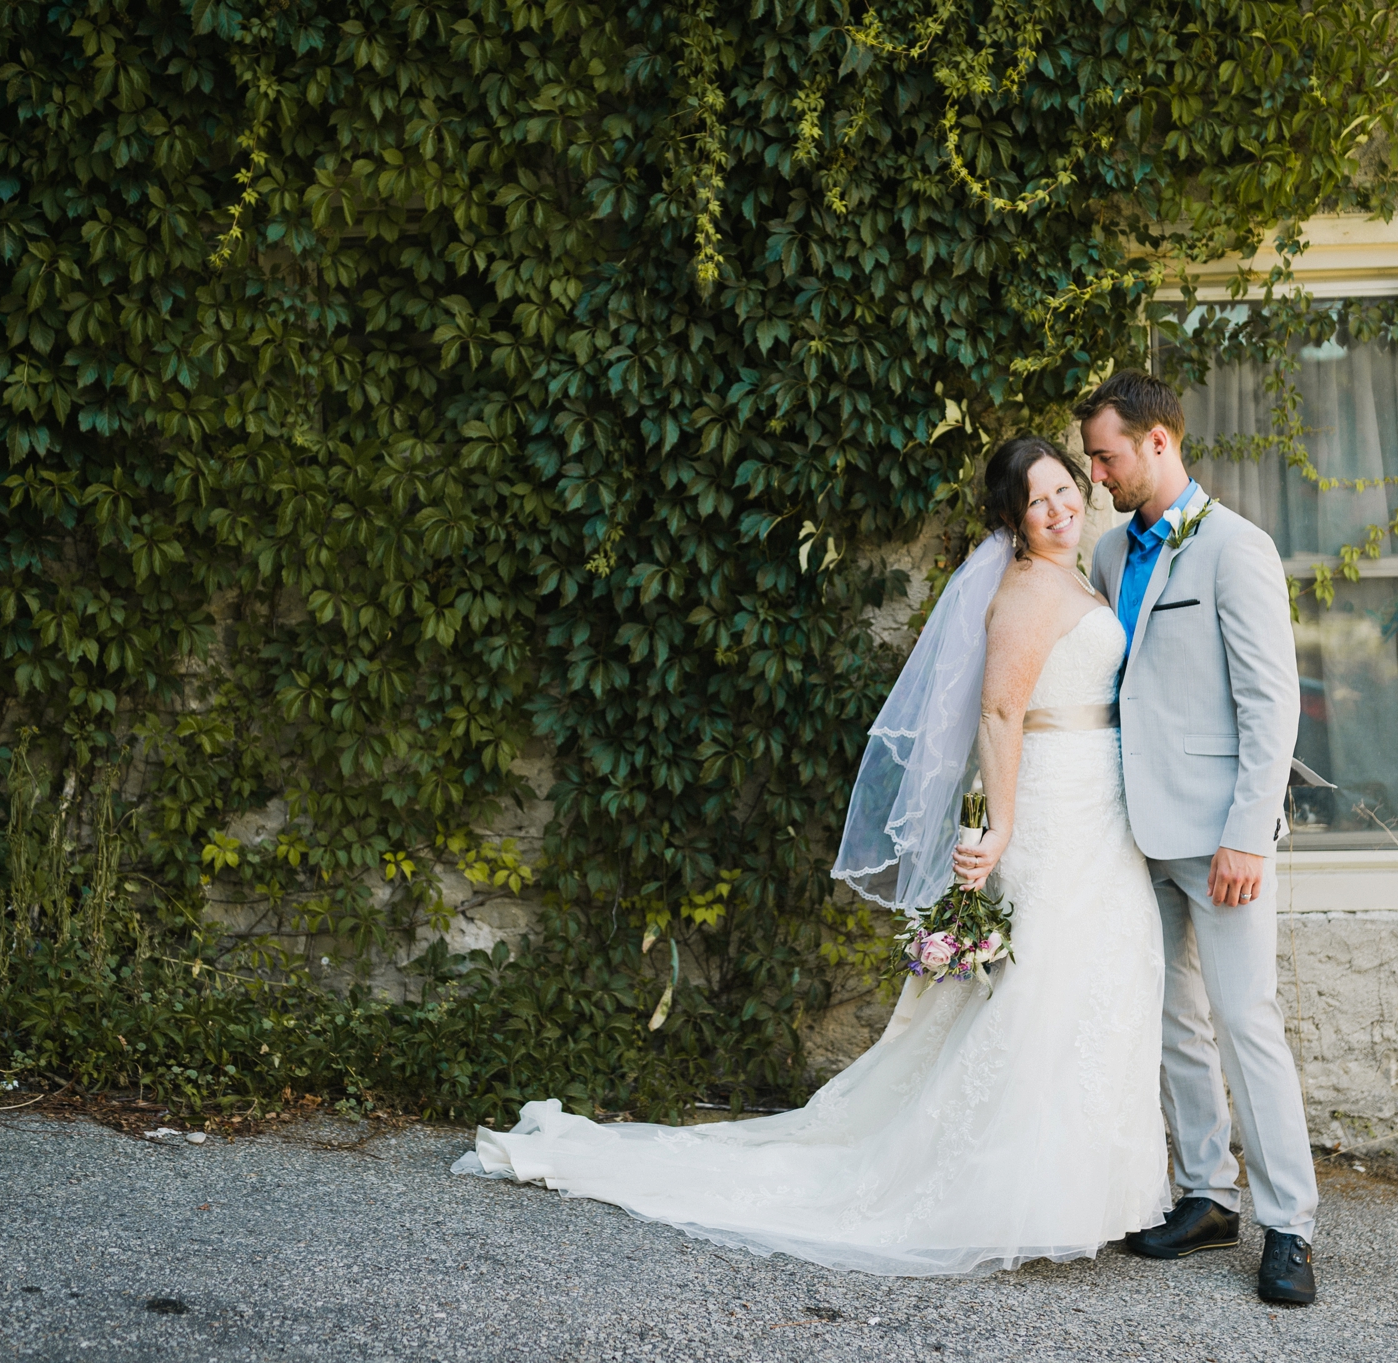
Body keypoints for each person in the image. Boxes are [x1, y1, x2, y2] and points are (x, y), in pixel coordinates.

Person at [452, 434, 1172, 1278]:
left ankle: (1087, 1191)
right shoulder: (1023, 592)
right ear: (1012, 519)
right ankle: (1010, 1190)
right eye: (1038, 499)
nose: (1058, 507)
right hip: (1049, 804)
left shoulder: (1080, 573)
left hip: (1101, 804)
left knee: (1101, 981)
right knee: (1043, 993)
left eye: (1065, 488)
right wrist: (1001, 826)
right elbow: (999, 715)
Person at [1078, 369, 1319, 1305]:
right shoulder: (1107, 555)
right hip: (1136, 833)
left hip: (1223, 839)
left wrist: (1248, 835)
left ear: (1158, 442)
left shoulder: (1235, 548)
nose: (1096, 472)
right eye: (1092, 457)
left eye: (1105, 454)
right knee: (1174, 1021)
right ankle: (1208, 1195)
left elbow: (1272, 704)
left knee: (1247, 1020)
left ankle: (1290, 1225)